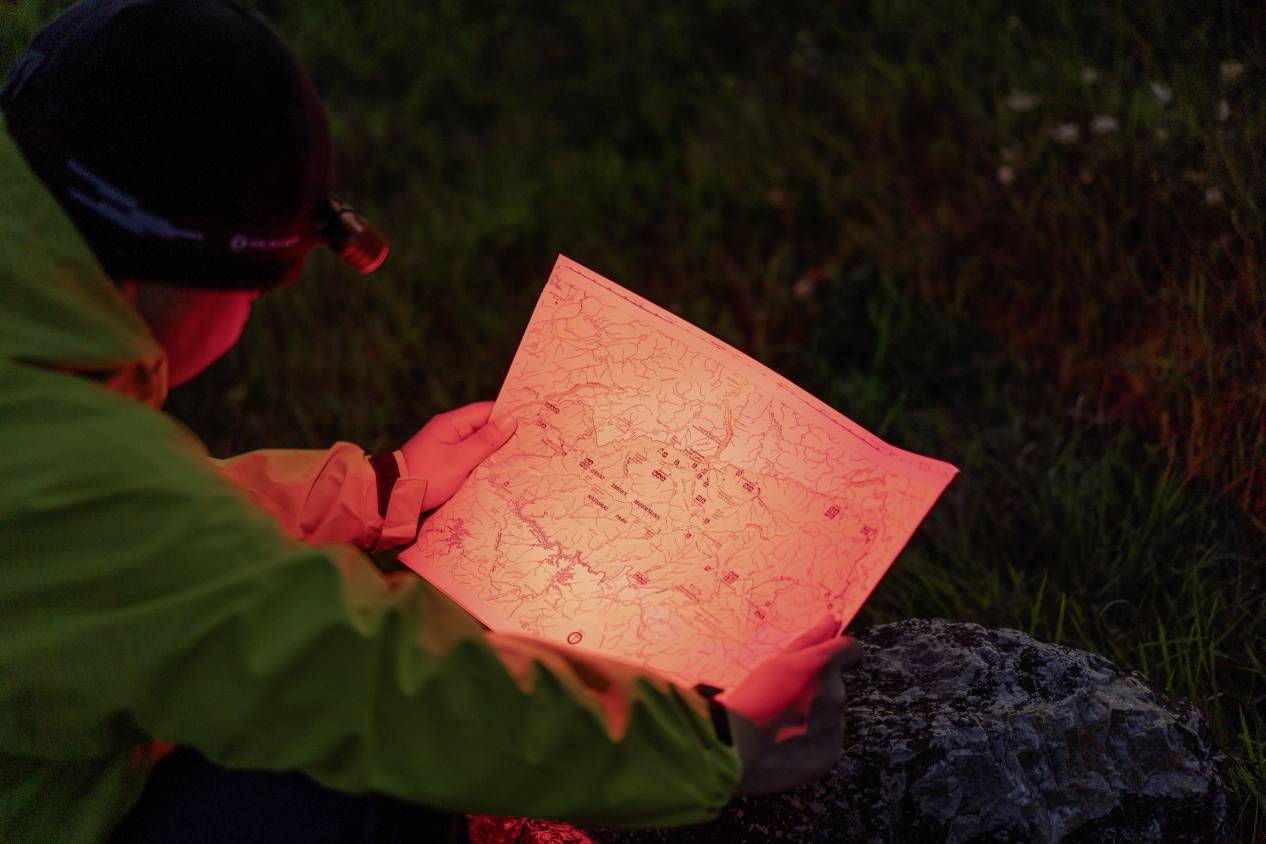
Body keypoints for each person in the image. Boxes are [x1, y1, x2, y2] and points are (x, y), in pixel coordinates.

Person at [0, 1, 864, 841]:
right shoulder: (79, 478)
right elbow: (367, 682)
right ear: (187, 272)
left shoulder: (36, 390)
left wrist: (383, 486)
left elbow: (134, 544)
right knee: (347, 786)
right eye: (263, 291)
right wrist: (715, 746)